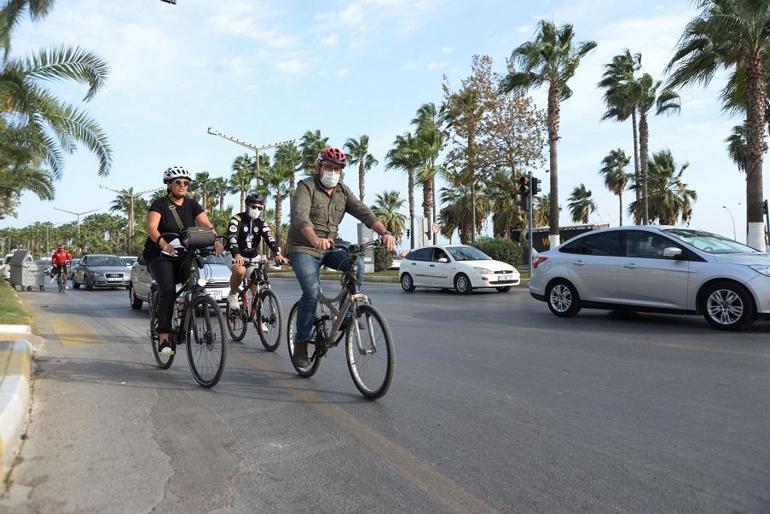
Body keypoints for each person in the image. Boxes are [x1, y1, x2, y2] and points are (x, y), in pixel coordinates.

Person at [286, 146, 395, 367]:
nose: (333, 172)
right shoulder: (305, 186)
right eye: (329, 167)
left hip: (330, 246)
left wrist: (384, 232)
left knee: (356, 264)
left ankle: (345, 314)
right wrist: (314, 238)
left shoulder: (343, 191)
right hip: (303, 248)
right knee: (312, 292)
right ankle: (300, 342)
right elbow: (300, 217)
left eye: (337, 169)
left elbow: (364, 212)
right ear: (319, 167)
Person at [144, 166, 217, 355]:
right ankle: (164, 338)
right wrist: (163, 243)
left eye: (186, 183)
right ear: (169, 184)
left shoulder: (192, 204)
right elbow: (152, 228)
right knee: (168, 290)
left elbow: (206, 224)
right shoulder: (159, 204)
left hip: (184, 253)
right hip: (160, 255)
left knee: (195, 285)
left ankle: (186, 320)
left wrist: (215, 237)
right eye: (178, 182)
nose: (183, 186)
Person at [226, 193, 288, 310]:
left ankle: (260, 320)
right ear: (247, 206)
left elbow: (269, 238)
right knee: (240, 271)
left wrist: (277, 253)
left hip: (252, 258)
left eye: (259, 208)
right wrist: (237, 254)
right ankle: (233, 294)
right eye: (253, 207)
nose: (256, 210)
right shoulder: (237, 219)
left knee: (258, 288)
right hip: (234, 255)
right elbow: (232, 238)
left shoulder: (261, 222)